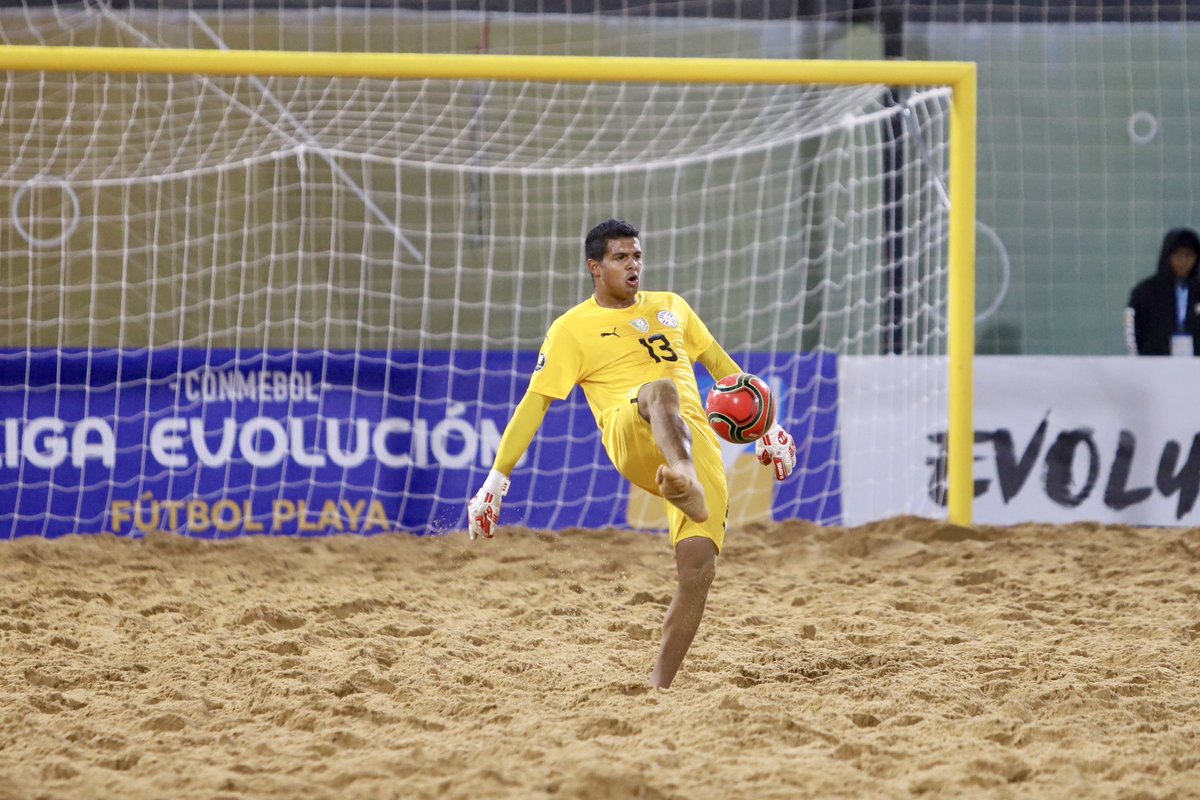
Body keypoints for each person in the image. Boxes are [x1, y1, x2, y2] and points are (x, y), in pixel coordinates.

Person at [466, 218, 797, 690]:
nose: (633, 265)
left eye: (637, 256)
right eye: (621, 258)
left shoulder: (672, 307)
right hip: (630, 432)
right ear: (595, 267)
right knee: (660, 389)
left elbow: (725, 372)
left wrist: (769, 428)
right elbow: (533, 405)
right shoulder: (571, 329)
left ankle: (658, 689)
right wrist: (495, 482)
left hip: (694, 439)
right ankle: (683, 477)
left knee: (698, 569)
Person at [1125, 227, 1200, 356]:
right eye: (1178, 255)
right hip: (1154, 367)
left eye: (1189, 255)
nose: (1184, 261)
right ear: (1167, 256)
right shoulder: (1145, 292)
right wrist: (1136, 363)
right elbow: (1131, 329)